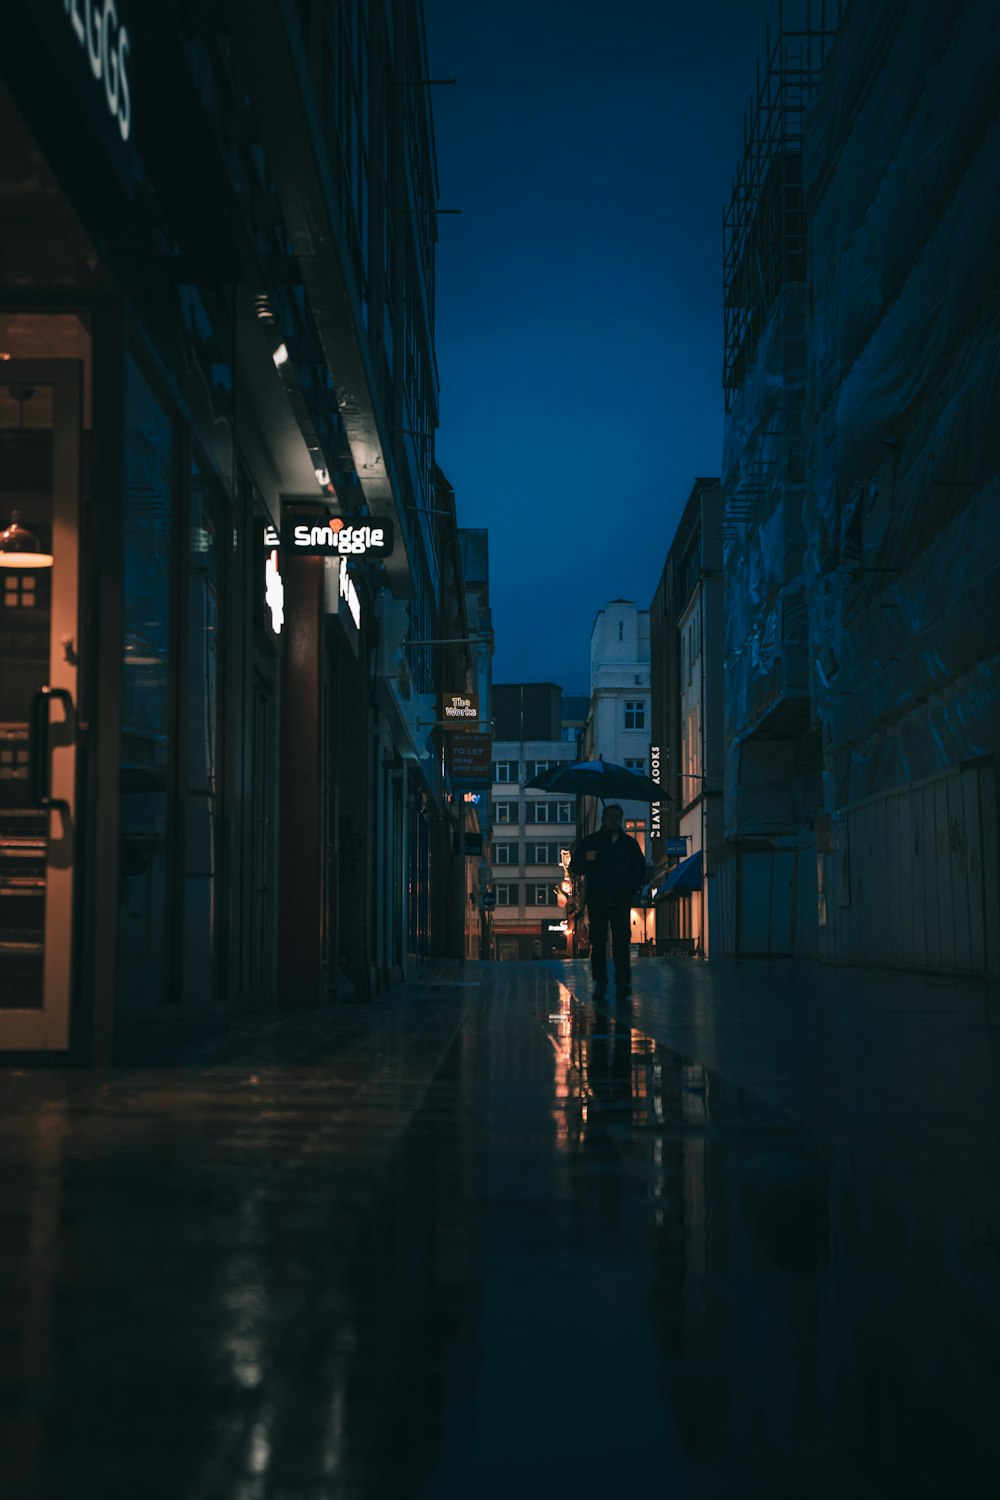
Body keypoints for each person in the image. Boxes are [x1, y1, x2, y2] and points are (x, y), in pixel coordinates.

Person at [569, 804, 646, 999]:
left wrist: (630, 888)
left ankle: (622, 982)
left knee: (621, 944)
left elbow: (639, 869)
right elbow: (576, 867)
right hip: (598, 901)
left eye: (616, 817)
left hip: (620, 900)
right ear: (604, 819)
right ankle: (600, 982)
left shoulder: (629, 845)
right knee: (598, 943)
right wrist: (587, 859)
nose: (613, 820)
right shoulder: (591, 843)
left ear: (620, 819)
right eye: (610, 817)